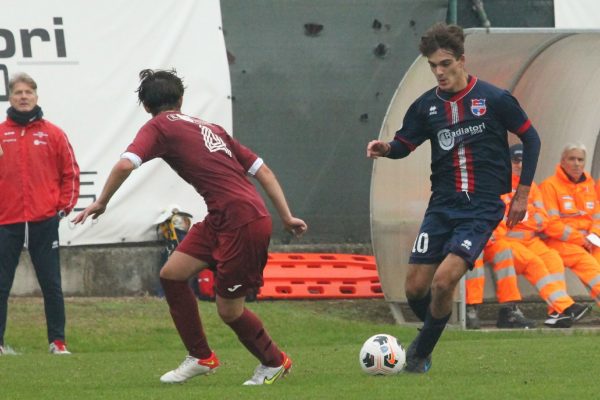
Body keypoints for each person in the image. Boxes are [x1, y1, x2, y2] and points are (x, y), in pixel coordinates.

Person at [73, 69, 307, 385]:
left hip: (243, 223)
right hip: (223, 219)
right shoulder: (209, 127)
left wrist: (101, 202)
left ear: (145, 107)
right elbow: (262, 170)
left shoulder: (157, 126)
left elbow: (125, 163)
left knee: (229, 311)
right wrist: (287, 215)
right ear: (181, 99)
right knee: (172, 274)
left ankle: (274, 361)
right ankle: (201, 357)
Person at [366, 23, 541, 372]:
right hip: (442, 206)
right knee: (415, 288)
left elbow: (532, 139)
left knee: (444, 281)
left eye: (445, 63)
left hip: (481, 207)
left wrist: (521, 196)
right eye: (433, 66)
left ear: (462, 60)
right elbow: (405, 143)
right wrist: (386, 148)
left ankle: (417, 355)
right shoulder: (426, 107)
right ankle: (431, 332)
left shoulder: (494, 99)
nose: (439, 72)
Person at [0, 72, 80, 355]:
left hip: (43, 222)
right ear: (10, 97)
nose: (23, 97)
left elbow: (70, 173)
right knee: (1, 285)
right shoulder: (1, 133)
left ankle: (57, 342)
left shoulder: (53, 134)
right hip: (5, 222)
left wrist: (61, 208)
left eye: (28, 92)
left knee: (51, 284)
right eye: (18, 92)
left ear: (36, 96)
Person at [539, 143, 600, 307]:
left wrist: (593, 236)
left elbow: (597, 217)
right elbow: (550, 224)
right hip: (560, 242)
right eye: (572, 159)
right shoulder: (549, 186)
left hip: (589, 241)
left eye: (580, 159)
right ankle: (560, 310)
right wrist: (580, 239)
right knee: (591, 267)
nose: (576, 163)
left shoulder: (589, 185)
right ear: (562, 161)